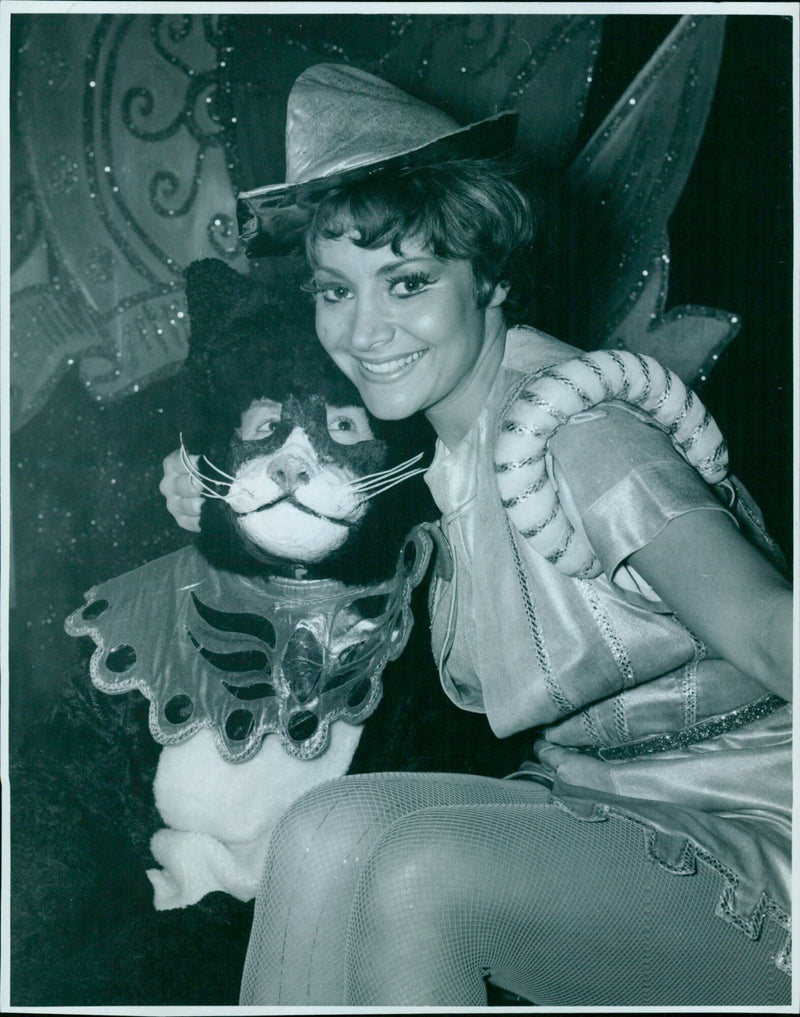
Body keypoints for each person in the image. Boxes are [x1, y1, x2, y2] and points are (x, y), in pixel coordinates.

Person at [159, 64, 793, 1006]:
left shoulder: (578, 431)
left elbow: (765, 627)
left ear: (491, 276)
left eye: (407, 282)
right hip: (592, 806)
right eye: (337, 290)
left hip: (747, 833)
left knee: (422, 872)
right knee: (322, 828)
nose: (364, 330)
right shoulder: (450, 450)